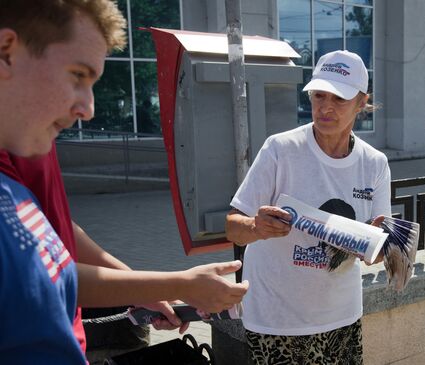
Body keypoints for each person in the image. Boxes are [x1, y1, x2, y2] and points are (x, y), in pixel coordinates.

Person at [0, 1, 248, 363]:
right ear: (7, 51)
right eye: (77, 75)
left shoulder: (26, 142)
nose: (88, 109)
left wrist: (146, 286)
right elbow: (46, 276)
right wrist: (178, 284)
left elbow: (53, 250)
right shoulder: (24, 137)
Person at [225, 50, 391, 364]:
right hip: (276, 318)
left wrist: (379, 246)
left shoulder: (374, 164)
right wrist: (255, 227)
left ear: (361, 102)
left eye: (339, 99)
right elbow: (233, 227)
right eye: (318, 95)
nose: (326, 108)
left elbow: (378, 252)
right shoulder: (280, 149)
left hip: (341, 317)